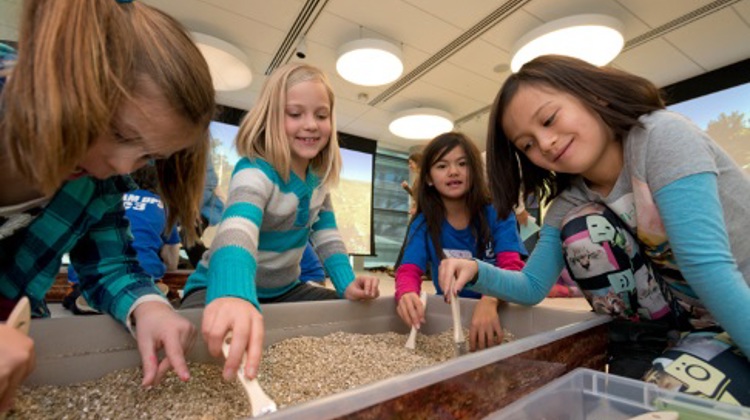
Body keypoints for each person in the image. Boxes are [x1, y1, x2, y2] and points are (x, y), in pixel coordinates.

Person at [439, 55, 750, 404]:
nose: (544, 143)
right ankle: (642, 347)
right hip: (698, 323)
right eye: (526, 145)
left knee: (677, 404)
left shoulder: (661, 136)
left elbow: (708, 266)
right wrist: (475, 270)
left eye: (549, 119)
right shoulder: (569, 204)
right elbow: (532, 286)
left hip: (741, 300)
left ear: (594, 96)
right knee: (582, 227)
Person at [0, 0, 215, 412]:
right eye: (117, 131)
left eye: (147, 157)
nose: (119, 166)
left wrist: (149, 305)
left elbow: (110, 265)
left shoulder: (104, 186)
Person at [181, 63, 380, 383]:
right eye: (295, 113)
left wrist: (346, 284)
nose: (311, 125)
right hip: (217, 286)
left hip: (285, 291)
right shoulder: (254, 171)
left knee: (347, 315)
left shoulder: (318, 181)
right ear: (272, 116)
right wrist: (232, 292)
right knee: (196, 333)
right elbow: (236, 230)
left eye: (321, 114)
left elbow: (327, 237)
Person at [395, 132, 526, 352]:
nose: (453, 171)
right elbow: (408, 269)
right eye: (442, 166)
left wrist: (491, 300)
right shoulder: (423, 222)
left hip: (499, 308)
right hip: (449, 311)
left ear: (474, 171)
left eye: (462, 164)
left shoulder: (498, 213)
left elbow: (512, 266)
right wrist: (406, 294)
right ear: (428, 178)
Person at [66, 164, 181, 313]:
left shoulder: (106, 196)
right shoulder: (164, 207)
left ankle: (89, 296)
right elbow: (171, 260)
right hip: (144, 272)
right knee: (148, 281)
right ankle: (143, 295)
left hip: (87, 273)